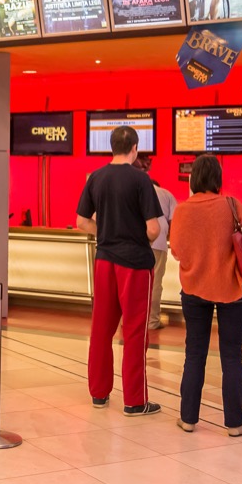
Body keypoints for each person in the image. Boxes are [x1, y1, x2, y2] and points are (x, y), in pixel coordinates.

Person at [75, 125, 163, 415]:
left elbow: (81, 221)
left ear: (111, 147)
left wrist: (106, 230)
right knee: (135, 332)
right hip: (135, 264)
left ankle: (99, 393)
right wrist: (134, 234)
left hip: (104, 260)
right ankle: (135, 401)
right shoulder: (141, 179)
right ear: (135, 148)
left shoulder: (96, 177)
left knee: (101, 329)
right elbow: (153, 229)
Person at [169, 153, 242, 436]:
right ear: (218, 179)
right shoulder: (232, 205)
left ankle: (188, 418)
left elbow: (176, 251)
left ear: (193, 179)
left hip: (194, 288)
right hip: (232, 289)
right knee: (232, 356)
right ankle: (235, 423)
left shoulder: (182, 210)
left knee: (194, 354)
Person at [148, 179, 177, 330]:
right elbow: (175, 223)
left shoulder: (132, 191)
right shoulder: (166, 194)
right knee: (154, 283)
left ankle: (127, 320)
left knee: (131, 282)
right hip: (158, 242)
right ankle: (152, 321)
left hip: (133, 242)